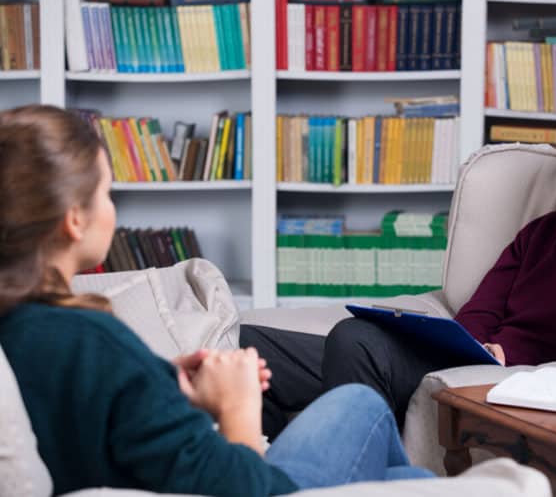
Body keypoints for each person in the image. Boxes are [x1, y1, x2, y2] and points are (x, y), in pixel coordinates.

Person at [0, 105, 433, 497]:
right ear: (74, 219)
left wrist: (156, 384)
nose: (112, 210)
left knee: (408, 484)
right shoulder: (88, 338)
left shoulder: (26, 328)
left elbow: (81, 413)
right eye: (106, 193)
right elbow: (244, 487)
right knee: (359, 403)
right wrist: (236, 403)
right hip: (258, 486)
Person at [241, 79, 556, 440]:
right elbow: (480, 312)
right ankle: (277, 478)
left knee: (354, 340)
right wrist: (474, 347)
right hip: (470, 363)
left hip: (520, 381)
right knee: (248, 345)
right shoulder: (543, 230)